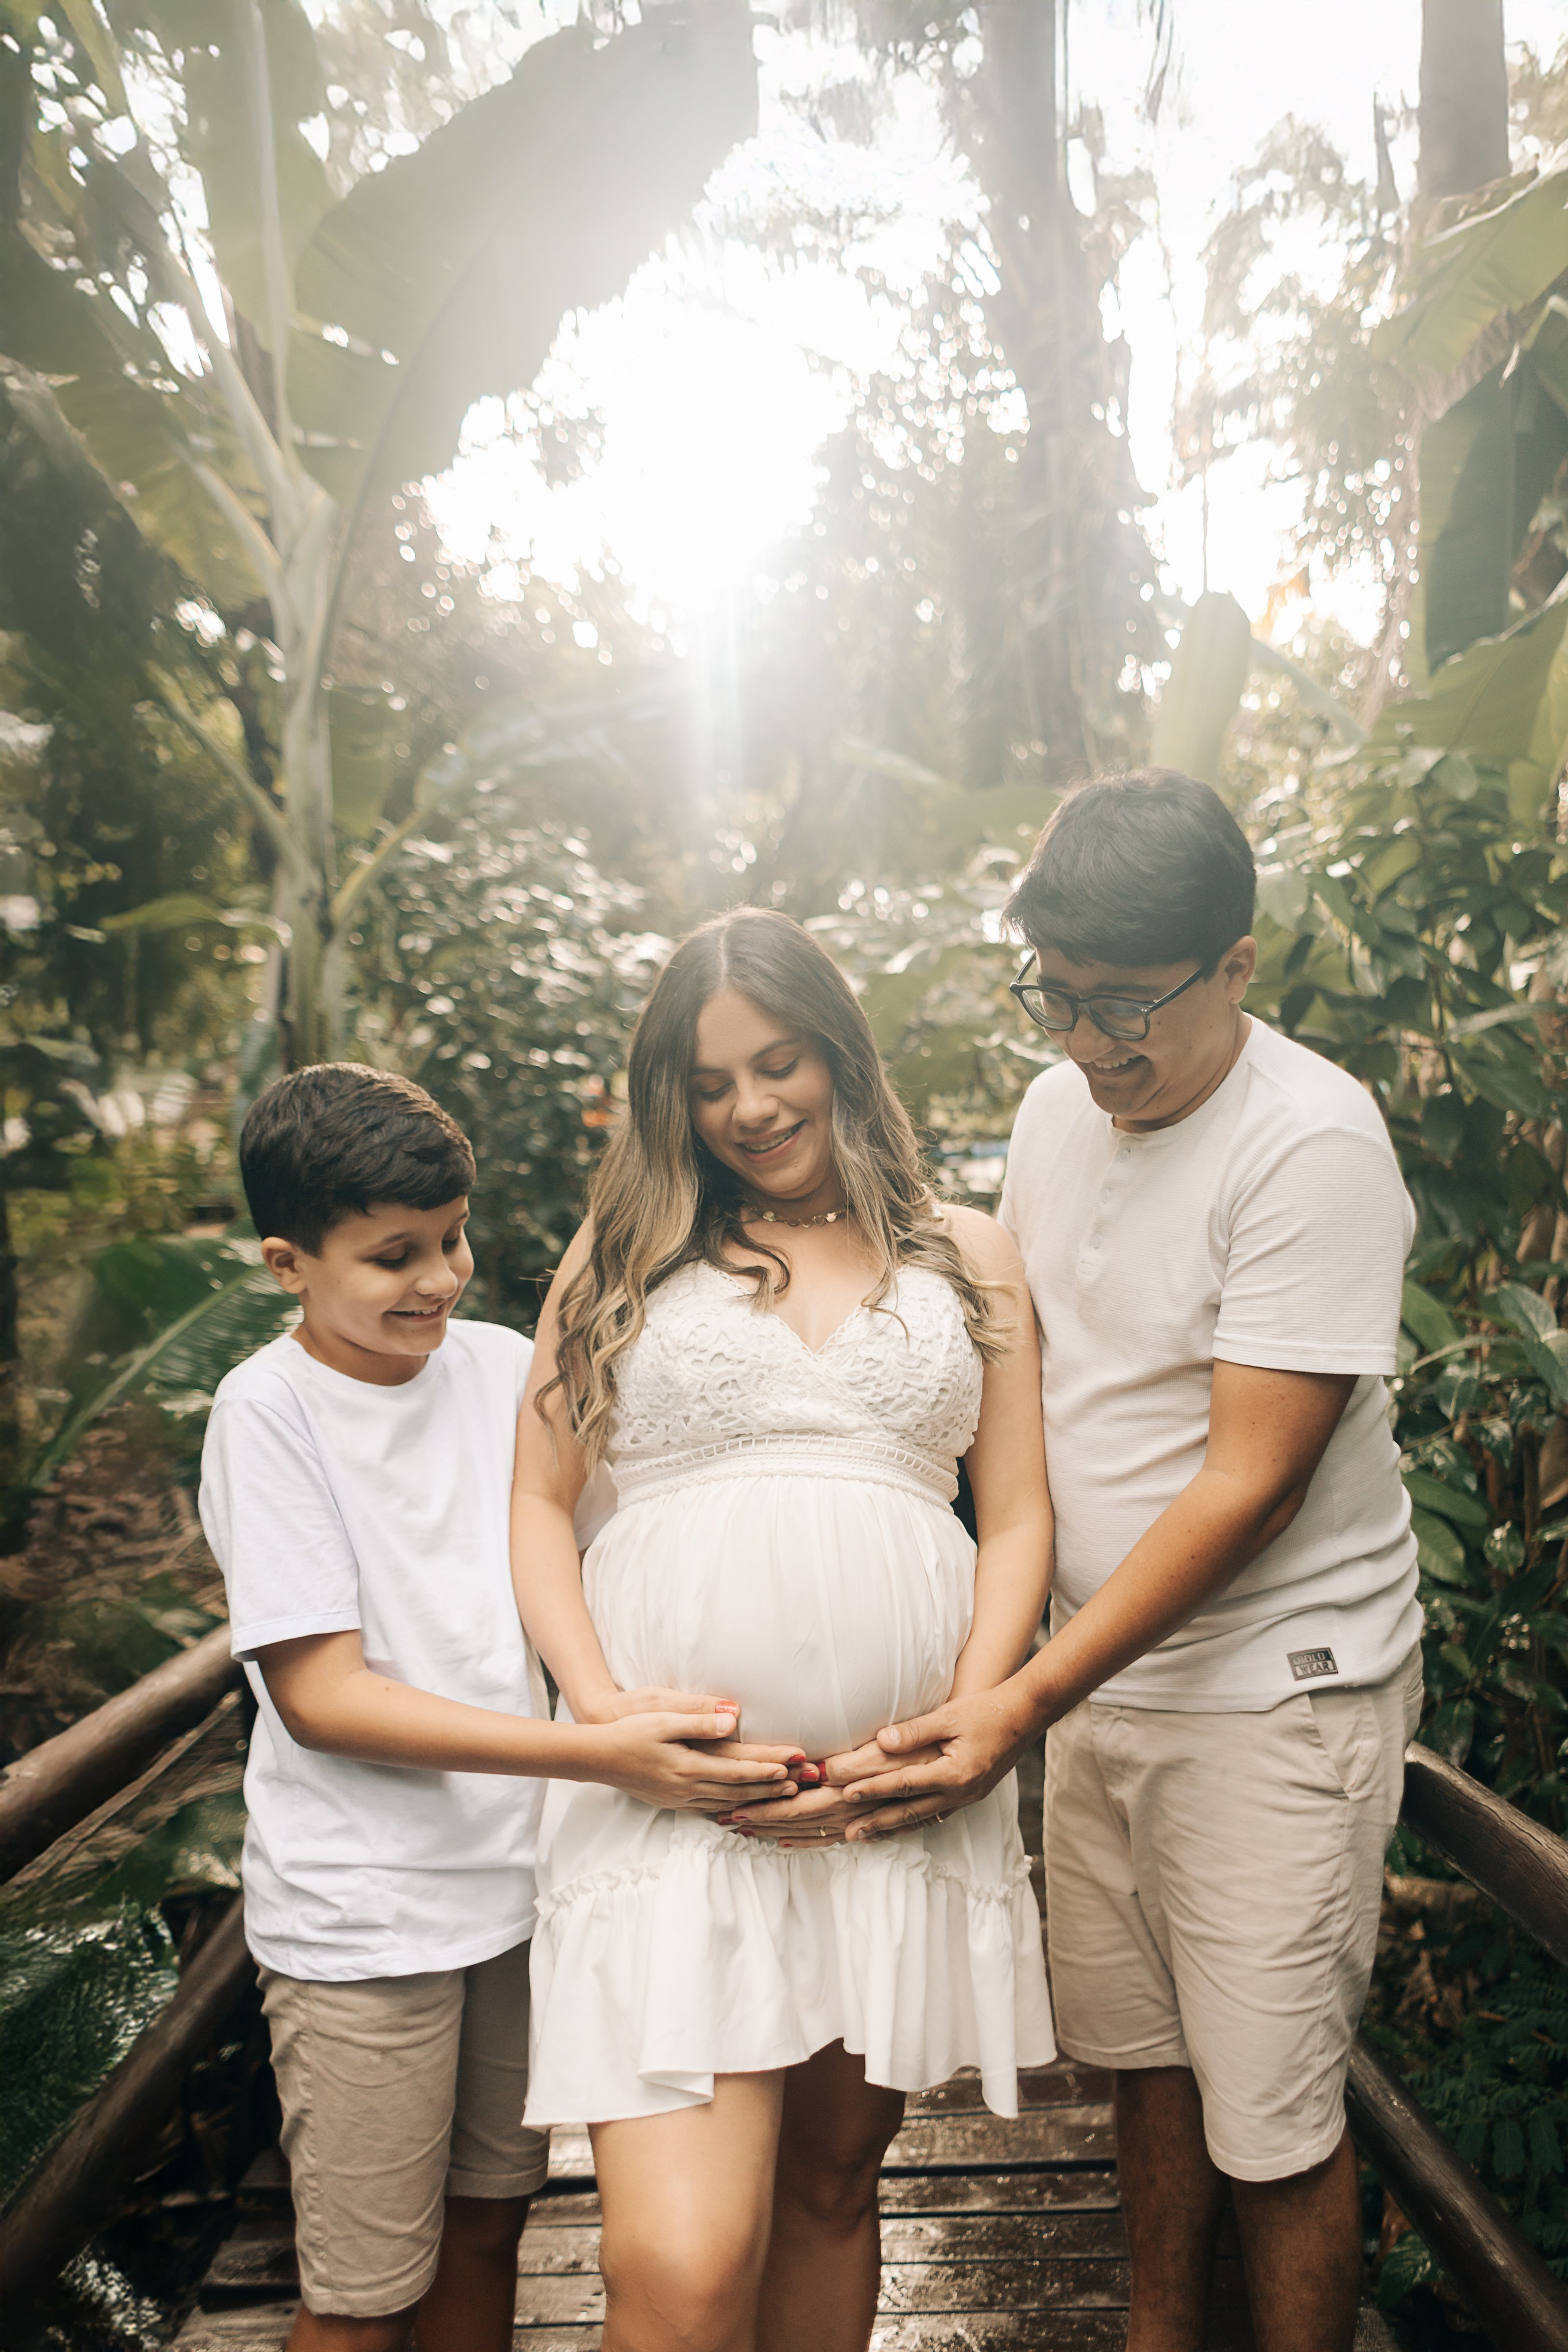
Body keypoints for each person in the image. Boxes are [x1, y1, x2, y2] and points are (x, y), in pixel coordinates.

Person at [832, 772, 1423, 2352]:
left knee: (1273, 2114)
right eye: (1055, 999)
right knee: (1140, 2066)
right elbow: (1011, 1381)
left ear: (1236, 966)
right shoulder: (1054, 1112)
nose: (1085, 1047)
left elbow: (1250, 1488)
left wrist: (1016, 1702)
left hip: (1269, 1701)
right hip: (1096, 1682)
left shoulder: (1309, 1143)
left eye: (1123, 1008)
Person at [512, 908, 1056, 2352]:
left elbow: (1011, 1515)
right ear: (669, 1101)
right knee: (685, 2265)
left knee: (827, 2192)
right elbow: (535, 1502)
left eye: (777, 1062)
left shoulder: (969, 1252)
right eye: (706, 1084)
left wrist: (968, 1713)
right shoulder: (624, 1246)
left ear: (837, 1051)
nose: (748, 1107)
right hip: (672, 1816)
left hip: (890, 1813)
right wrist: (600, 1721)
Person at [200, 1063, 801, 2352]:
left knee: (489, 2228)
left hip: (517, 1893)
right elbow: (322, 1697)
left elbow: (617, 1540)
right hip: (366, 1916)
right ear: (286, 1262)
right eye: (391, 1256)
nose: (438, 1278)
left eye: (454, 1239)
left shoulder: (492, 1367)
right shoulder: (268, 1411)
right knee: (360, 2299)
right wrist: (591, 1753)